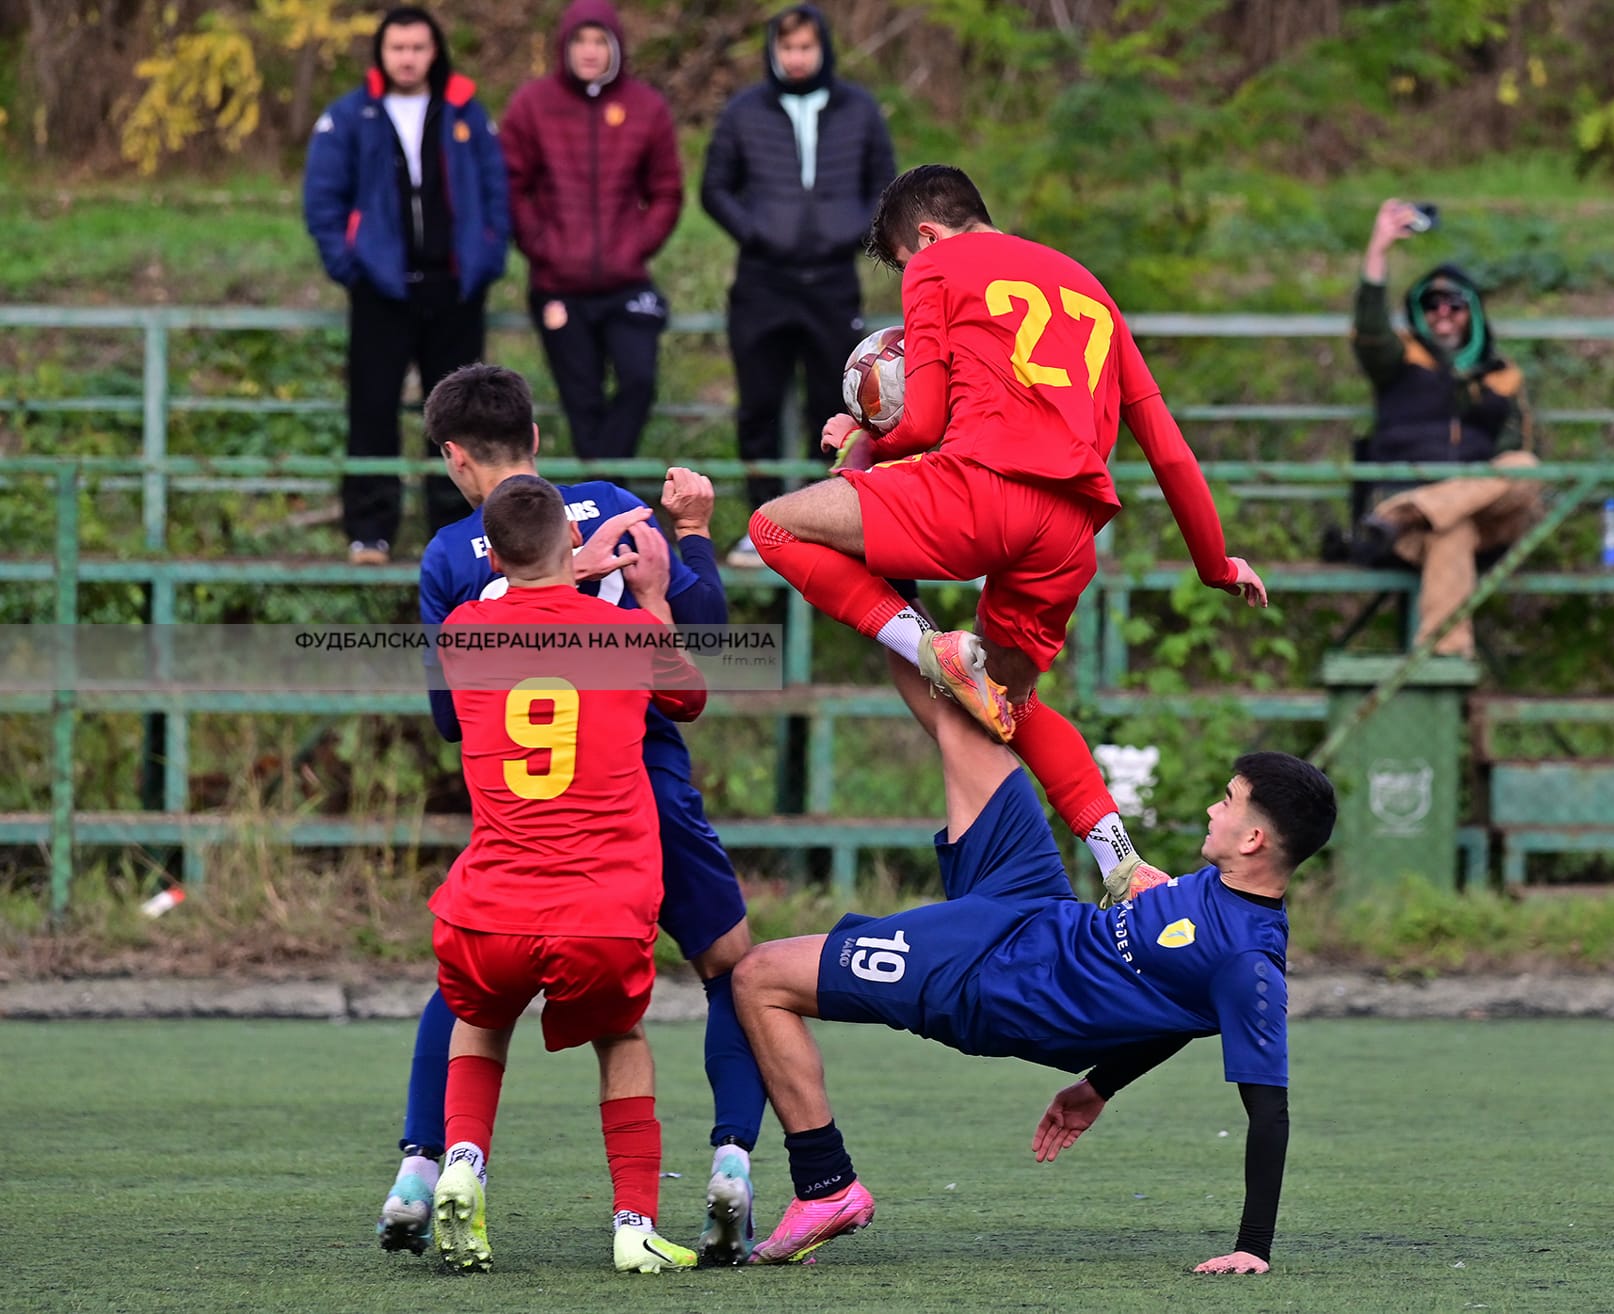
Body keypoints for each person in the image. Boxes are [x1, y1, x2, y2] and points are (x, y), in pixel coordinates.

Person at [746, 163, 1267, 904]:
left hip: (980, 493)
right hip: (1069, 531)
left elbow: (921, 424)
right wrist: (1216, 565)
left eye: (905, 260)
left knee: (773, 525)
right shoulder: (1090, 289)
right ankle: (1122, 862)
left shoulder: (938, 266)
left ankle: (927, 646)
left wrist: (864, 438)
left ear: (928, 236)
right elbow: (1168, 448)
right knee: (1008, 705)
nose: (910, 274)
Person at [730, 653, 1335, 1268]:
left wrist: (1252, 1247)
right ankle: (890, 607)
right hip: (1034, 906)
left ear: (1254, 840)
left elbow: (1269, 1112)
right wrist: (1100, 1085)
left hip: (997, 980)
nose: (1212, 810)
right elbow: (1179, 1007)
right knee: (958, 699)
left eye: (1228, 802)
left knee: (759, 976)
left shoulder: (1248, 961)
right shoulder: (1226, 887)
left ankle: (825, 1184)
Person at [377, 365, 767, 1266]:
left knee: (471, 990)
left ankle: (422, 1169)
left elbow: (450, 719)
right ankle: (732, 1164)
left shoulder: (451, 558)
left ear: (454, 457)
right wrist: (693, 539)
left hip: (531, 809)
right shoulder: (617, 509)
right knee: (731, 973)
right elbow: (704, 642)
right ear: (537, 440)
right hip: (639, 792)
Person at [428, 473, 704, 1273]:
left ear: (493, 554)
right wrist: (651, 596)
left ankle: (463, 1162)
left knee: (480, 1021)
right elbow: (688, 698)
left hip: (490, 905)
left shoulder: (464, 631)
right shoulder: (624, 635)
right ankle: (633, 1224)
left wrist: (548, 570)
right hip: (600, 909)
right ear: (572, 540)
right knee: (621, 1039)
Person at [302, 6, 509, 565]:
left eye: (418, 48)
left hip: (455, 288)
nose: (408, 58)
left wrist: (486, 257)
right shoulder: (351, 116)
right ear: (381, 53)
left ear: (434, 51)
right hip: (381, 289)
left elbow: (497, 190)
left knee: (460, 418)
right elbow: (322, 199)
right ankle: (370, 530)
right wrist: (350, 266)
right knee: (372, 407)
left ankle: (459, 532)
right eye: (398, 48)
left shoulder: (466, 112)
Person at [701, 4, 897, 568]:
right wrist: (756, 233)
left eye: (805, 47)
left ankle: (826, 525)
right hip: (762, 283)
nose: (796, 58)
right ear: (774, 51)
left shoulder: (859, 109)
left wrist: (852, 234)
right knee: (758, 407)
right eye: (787, 48)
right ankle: (761, 523)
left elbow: (886, 186)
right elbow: (715, 188)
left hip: (832, 282)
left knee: (834, 409)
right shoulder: (744, 111)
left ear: (822, 49)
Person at [1350, 199, 1540, 657]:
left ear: (1472, 312)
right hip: (1416, 529)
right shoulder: (1400, 360)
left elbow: (1516, 456)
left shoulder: (1502, 375)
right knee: (1450, 529)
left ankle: (1411, 510)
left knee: (1524, 467)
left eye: (1454, 305)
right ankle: (1443, 660)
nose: (1443, 314)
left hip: (1476, 517)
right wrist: (1378, 249)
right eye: (1431, 305)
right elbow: (1370, 331)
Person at [501, 0, 683, 462]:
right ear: (564, 45)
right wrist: (543, 246)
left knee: (638, 381)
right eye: (580, 40)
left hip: (626, 283)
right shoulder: (532, 105)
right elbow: (511, 186)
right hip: (557, 285)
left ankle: (602, 490)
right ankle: (605, 496)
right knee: (582, 403)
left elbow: (666, 190)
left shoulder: (646, 107)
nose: (589, 50)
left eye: (599, 40)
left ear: (615, 46)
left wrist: (635, 245)